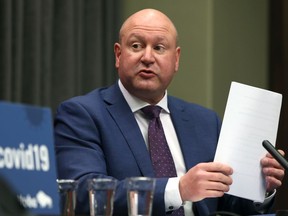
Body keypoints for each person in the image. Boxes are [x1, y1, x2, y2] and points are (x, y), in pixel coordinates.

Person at [54, 8, 285, 216]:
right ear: (118, 55)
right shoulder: (82, 114)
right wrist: (179, 189)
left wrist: (261, 187)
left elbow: (230, 205)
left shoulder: (205, 122)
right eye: (136, 46)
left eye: (159, 48)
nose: (147, 57)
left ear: (176, 59)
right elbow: (83, 193)